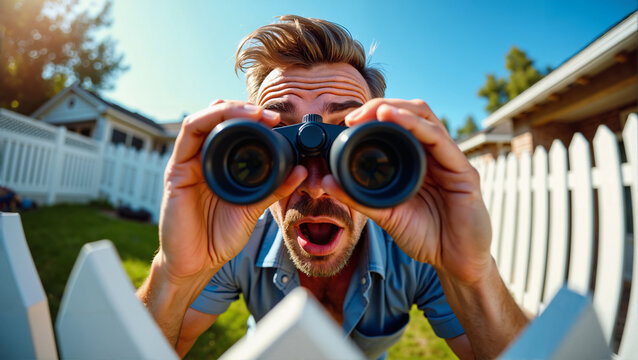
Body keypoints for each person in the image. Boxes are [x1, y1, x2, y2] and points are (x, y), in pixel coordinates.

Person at [136, 15, 529, 359]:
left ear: (382, 146)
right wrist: (175, 276)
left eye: (347, 144)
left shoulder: (416, 251)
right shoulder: (237, 240)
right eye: (278, 146)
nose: (318, 187)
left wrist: (472, 278)